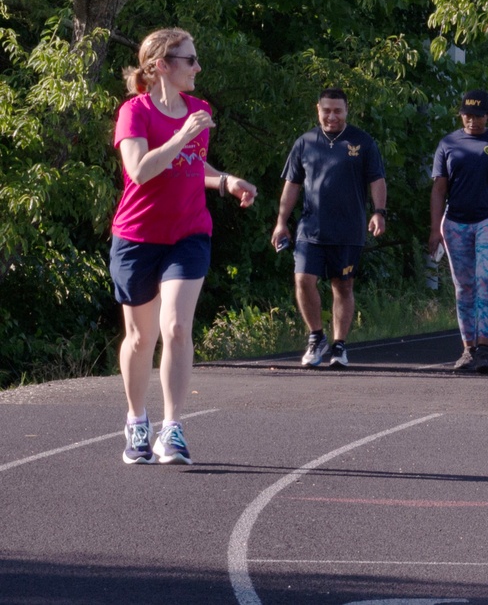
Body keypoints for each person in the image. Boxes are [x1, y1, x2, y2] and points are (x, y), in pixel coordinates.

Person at [111, 28, 257, 465]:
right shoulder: (133, 113)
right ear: (161, 66)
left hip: (189, 232)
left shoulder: (199, 110)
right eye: (189, 60)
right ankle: (137, 420)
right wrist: (179, 136)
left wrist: (224, 180)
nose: (197, 67)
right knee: (141, 337)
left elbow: (193, 165)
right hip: (136, 236)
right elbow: (139, 170)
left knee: (175, 328)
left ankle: (172, 429)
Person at [272, 88, 386, 369]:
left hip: (348, 231)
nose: (332, 116)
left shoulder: (362, 142)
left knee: (343, 286)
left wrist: (379, 212)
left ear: (347, 110)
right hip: (311, 229)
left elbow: (377, 180)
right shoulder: (305, 142)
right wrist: (281, 222)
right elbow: (292, 185)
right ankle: (316, 337)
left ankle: (339, 346)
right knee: (303, 280)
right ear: (318, 109)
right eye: (327, 110)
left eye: (338, 110)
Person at [428, 89, 488, 373]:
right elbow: (438, 189)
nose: (473, 121)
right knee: (464, 287)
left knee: (486, 279)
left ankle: (484, 348)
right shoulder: (448, 144)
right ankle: (468, 349)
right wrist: (435, 229)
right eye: (468, 115)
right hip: (456, 222)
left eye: (479, 115)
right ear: (461, 115)